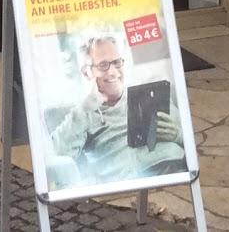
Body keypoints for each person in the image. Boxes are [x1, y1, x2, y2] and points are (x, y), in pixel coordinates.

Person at [48, 32, 186, 184]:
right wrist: (85, 108)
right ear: (86, 73)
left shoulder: (147, 94)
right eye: (103, 65)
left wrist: (177, 135)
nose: (112, 72)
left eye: (117, 62)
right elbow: (56, 157)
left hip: (175, 168)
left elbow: (190, 141)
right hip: (131, 182)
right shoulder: (83, 114)